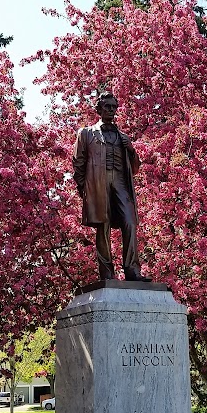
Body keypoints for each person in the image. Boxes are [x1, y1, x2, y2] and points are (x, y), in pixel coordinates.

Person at [72, 92, 150, 281]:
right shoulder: (86, 133)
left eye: (114, 107)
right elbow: (78, 163)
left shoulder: (123, 136)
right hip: (98, 183)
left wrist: (130, 148)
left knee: (130, 222)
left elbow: (135, 168)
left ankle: (132, 270)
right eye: (107, 106)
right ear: (99, 109)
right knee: (103, 225)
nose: (111, 110)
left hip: (121, 182)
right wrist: (86, 189)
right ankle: (107, 273)